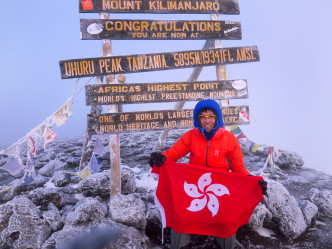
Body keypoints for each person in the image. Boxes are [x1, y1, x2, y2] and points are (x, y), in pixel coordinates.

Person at [149, 99, 267, 249]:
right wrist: (161, 158)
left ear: (217, 118)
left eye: (210, 116)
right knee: (181, 217)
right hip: (193, 190)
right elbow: (174, 153)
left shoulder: (230, 139)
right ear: (198, 119)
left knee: (226, 221)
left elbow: (238, 168)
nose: (207, 120)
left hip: (220, 191)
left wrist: (253, 181)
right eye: (203, 117)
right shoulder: (191, 136)